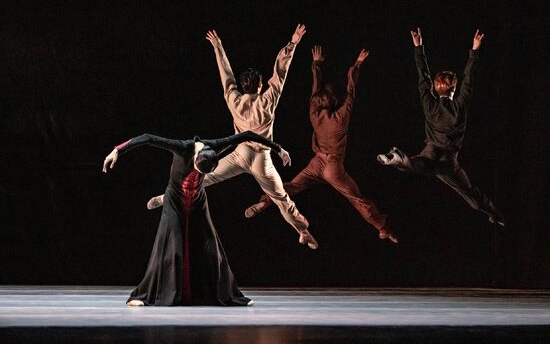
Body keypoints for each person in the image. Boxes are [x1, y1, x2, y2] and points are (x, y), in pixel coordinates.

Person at [147, 24, 318, 249]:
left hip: (240, 154)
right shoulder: (268, 100)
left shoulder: (234, 100)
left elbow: (226, 75)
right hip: (261, 159)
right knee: (281, 199)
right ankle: (303, 231)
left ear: (243, 85)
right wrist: (293, 43)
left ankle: (166, 196)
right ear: (260, 85)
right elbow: (280, 71)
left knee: (204, 178)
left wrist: (218, 47)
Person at [102, 131, 291, 306]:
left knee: (211, 246)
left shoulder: (214, 146)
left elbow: (246, 135)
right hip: (175, 200)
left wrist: (278, 149)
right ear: (194, 159)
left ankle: (229, 295)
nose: (200, 174)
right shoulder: (182, 147)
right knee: (172, 246)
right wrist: (117, 150)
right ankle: (144, 295)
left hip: (198, 200)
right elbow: (147, 138)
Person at [244, 45, 398, 243]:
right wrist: (356, 65)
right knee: (356, 198)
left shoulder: (314, 113)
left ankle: (265, 202)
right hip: (333, 166)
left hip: (316, 163)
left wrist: (316, 64)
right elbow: (351, 91)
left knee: (292, 186)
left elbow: (315, 90)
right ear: (334, 101)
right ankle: (382, 228)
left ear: (318, 102)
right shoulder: (341, 117)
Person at [377, 28, 505, 226]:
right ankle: (493, 213)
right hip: (449, 163)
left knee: (415, 164)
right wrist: (474, 50)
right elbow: (469, 80)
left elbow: (423, 78)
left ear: (436, 89)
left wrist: (418, 48)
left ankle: (398, 159)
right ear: (454, 89)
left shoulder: (430, 105)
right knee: (470, 196)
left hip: (430, 154)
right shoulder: (459, 106)